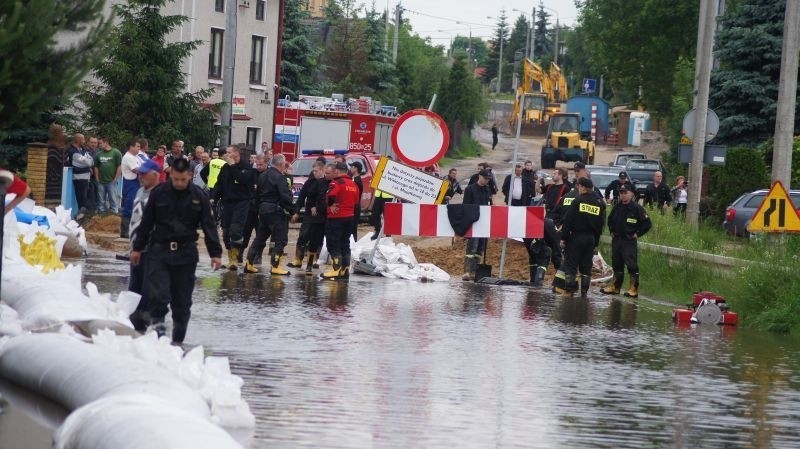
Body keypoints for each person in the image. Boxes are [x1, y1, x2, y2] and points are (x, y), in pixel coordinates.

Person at [130, 157, 222, 345]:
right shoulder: (159, 193)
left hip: (186, 254)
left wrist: (215, 254)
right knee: (158, 296)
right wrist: (137, 248)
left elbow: (209, 226)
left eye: (183, 179)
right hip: (160, 251)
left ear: (189, 175)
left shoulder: (199, 196)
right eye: (176, 179)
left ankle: (177, 343)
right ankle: (159, 336)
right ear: (170, 174)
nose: (179, 183)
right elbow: (146, 223)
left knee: (182, 302)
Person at [244, 154, 294, 275]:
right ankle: (275, 266)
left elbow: (256, 195)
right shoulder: (280, 177)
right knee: (280, 239)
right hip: (276, 211)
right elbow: (285, 196)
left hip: (263, 210)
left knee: (260, 238)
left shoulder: (262, 176)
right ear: (281, 165)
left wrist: (258, 209)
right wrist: (293, 211)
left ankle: (249, 263)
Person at [127, 160, 162, 331]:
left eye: (144, 173)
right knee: (134, 287)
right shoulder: (140, 191)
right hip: (136, 249)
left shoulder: (162, 194)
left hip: (151, 250)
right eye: (139, 173)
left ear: (155, 175)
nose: (140, 176)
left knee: (148, 289)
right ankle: (135, 324)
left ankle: (149, 325)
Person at [600, 183, 652, 298]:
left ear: (632, 194)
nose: (623, 195)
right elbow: (610, 220)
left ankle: (633, 289)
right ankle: (615, 287)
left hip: (629, 241)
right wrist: (612, 231)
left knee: (631, 265)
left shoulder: (637, 208)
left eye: (625, 193)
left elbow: (647, 224)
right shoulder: (617, 206)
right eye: (621, 193)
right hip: (617, 240)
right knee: (617, 264)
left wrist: (637, 234)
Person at [212, 145, 257, 270]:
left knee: (235, 230)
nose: (226, 154)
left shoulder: (246, 167)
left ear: (236, 153)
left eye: (229, 152)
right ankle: (231, 257)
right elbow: (219, 184)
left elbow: (242, 179)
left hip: (242, 202)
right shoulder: (225, 168)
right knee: (226, 232)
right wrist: (213, 197)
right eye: (225, 152)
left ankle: (235, 259)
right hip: (227, 203)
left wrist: (233, 166)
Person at [560, 177, 605, 297]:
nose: (578, 189)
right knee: (586, 266)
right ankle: (584, 292)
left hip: (577, 237)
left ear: (583, 187)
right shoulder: (599, 203)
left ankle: (569, 291)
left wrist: (564, 238)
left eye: (579, 186)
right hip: (591, 239)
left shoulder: (578, 201)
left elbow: (568, 222)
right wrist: (595, 243)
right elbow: (600, 226)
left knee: (571, 264)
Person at [321, 162, 360, 280]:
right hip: (349, 217)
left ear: (337, 171)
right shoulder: (353, 184)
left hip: (337, 217)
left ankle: (335, 268)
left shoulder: (336, 182)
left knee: (333, 243)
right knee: (345, 243)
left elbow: (330, 196)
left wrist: (331, 205)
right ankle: (345, 269)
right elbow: (356, 201)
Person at [288, 160, 328, 274]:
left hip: (321, 215)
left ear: (322, 170)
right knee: (303, 235)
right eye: (313, 171)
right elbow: (301, 198)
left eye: (316, 171)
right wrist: (296, 212)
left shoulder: (327, 182)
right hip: (309, 215)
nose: (314, 173)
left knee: (317, 239)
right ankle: (298, 259)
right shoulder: (310, 182)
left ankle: (314, 260)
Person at [461, 169, 493, 281]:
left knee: (480, 249)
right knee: (472, 248)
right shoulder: (470, 189)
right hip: (473, 223)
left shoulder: (487, 190)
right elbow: (465, 206)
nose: (486, 181)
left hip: (483, 224)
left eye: (488, 179)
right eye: (485, 178)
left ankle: (475, 272)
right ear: (480, 176)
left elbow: (490, 205)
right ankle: (467, 271)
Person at [65, 133, 94, 215]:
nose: (84, 141)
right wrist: (88, 166)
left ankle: (86, 216)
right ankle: (81, 217)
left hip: (86, 178)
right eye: (83, 139)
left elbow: (91, 161)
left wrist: (88, 163)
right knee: (82, 200)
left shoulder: (82, 150)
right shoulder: (73, 152)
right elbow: (88, 163)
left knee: (88, 198)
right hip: (79, 179)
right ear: (78, 140)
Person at [120, 139, 143, 238]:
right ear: (131, 147)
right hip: (130, 183)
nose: (139, 148)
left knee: (135, 207)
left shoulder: (136, 157)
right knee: (129, 207)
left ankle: (132, 229)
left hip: (135, 184)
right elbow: (136, 170)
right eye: (137, 146)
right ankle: (125, 231)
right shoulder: (128, 157)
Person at [93, 137, 122, 214]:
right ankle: (102, 213)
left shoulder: (116, 152)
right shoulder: (98, 154)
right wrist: (97, 178)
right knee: (101, 199)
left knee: (113, 198)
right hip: (100, 181)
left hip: (112, 180)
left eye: (100, 143)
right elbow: (96, 167)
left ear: (106, 143)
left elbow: (119, 166)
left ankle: (114, 213)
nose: (99, 145)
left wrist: (116, 178)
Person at [349, 161, 363, 239]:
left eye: (352, 167)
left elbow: (355, 195)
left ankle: (353, 244)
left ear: (356, 169)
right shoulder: (354, 179)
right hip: (353, 206)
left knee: (353, 229)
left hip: (355, 207)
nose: (350, 168)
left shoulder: (357, 181)